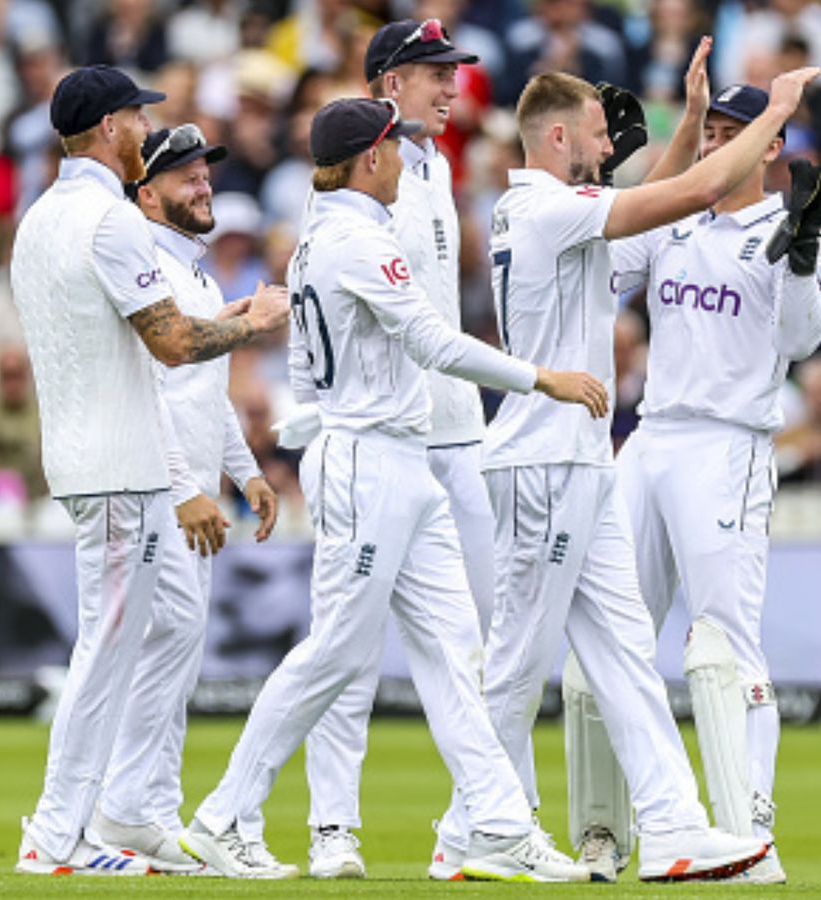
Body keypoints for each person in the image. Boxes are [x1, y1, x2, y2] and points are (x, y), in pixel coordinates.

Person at [177, 97, 604, 883]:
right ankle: (223, 816)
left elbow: (319, 365)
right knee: (338, 650)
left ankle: (497, 824)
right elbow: (433, 341)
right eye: (394, 148)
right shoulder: (359, 241)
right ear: (370, 157)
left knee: (453, 649)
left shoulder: (323, 235)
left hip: (395, 459)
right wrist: (541, 378)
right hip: (371, 462)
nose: (406, 161)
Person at [432, 54, 819, 883]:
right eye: (599, 135)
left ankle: (673, 825)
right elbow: (686, 194)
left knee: (623, 652)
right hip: (543, 459)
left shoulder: (554, 209)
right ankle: (469, 828)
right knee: (518, 664)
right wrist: (774, 112)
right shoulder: (545, 208)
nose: (612, 148)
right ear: (557, 137)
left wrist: (692, 122)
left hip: (584, 461)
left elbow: (656, 205)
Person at [9, 65, 290, 877]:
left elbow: (126, 338)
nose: (143, 130)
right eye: (137, 118)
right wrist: (255, 323)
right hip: (123, 466)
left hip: (84, 459)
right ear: (109, 128)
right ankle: (57, 835)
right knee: (105, 653)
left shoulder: (41, 217)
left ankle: (122, 815)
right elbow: (172, 347)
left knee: (139, 640)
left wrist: (222, 319)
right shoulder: (112, 220)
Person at [565, 81, 821, 885]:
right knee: (601, 644)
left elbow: (800, 340)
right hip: (651, 437)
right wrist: (608, 179)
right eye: (712, 130)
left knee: (721, 645)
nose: (719, 143)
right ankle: (602, 833)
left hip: (728, 444)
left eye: (733, 132)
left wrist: (801, 251)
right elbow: (602, 267)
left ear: (771, 146)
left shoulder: (793, 230)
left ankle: (748, 831)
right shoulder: (675, 217)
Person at [297, 20, 490, 880]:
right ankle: (332, 827)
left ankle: (476, 825)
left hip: (455, 430)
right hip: (381, 438)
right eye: (432, 73)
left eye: (453, 72)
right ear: (387, 84)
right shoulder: (352, 179)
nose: (450, 87)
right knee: (348, 645)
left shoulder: (435, 166)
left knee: (469, 644)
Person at [87, 124, 284, 876]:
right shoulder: (148, 270)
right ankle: (121, 806)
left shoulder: (197, 278)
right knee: (167, 639)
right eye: (185, 177)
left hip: (194, 492)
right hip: (158, 491)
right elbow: (146, 394)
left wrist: (247, 471)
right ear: (147, 194)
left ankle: (153, 813)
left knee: (178, 653)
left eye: (205, 174)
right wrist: (184, 489)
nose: (202, 186)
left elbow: (205, 396)